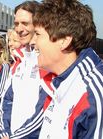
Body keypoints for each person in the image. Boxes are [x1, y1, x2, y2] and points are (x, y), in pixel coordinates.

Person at [27, 0, 103, 138]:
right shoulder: (58, 81)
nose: (32, 42)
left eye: (38, 34)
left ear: (64, 41)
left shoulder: (92, 94)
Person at [0, 1, 46, 139]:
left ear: (38, 24)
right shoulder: (20, 60)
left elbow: (43, 111)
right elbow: (7, 100)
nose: (19, 29)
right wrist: (3, 131)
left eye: (25, 23)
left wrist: (16, 137)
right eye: (16, 23)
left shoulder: (46, 61)